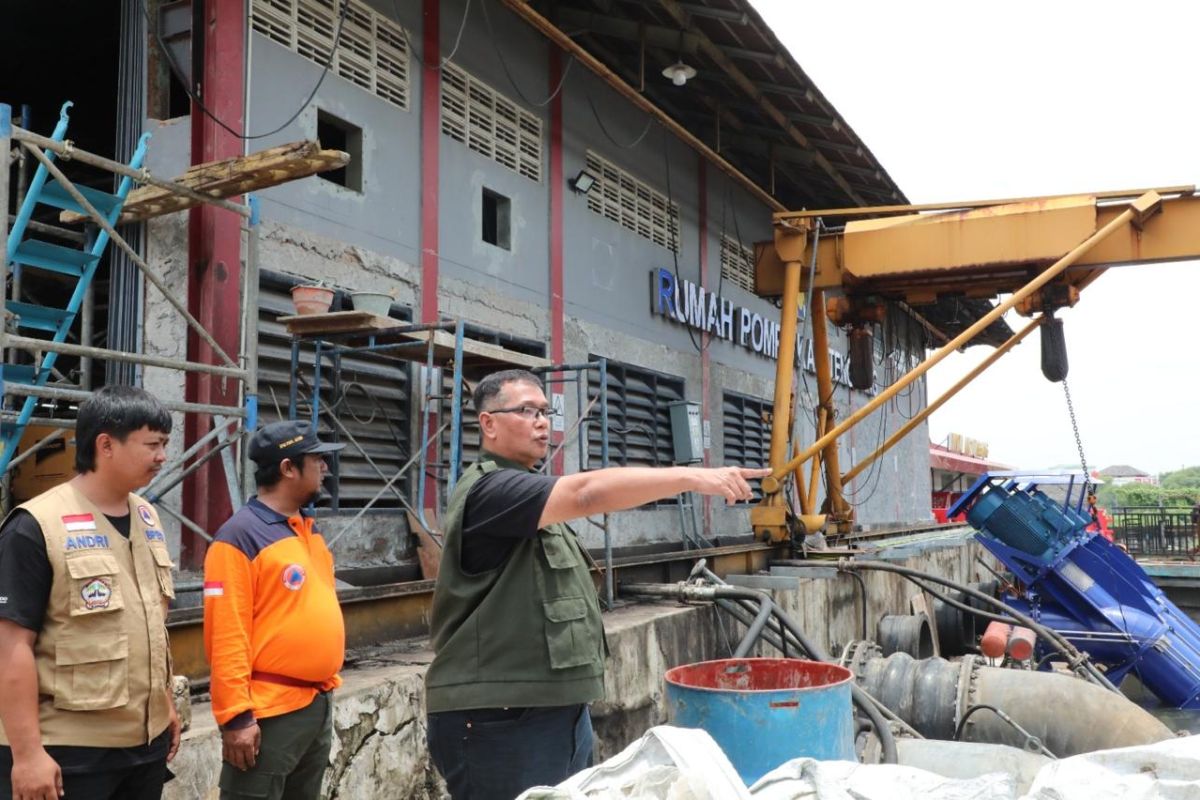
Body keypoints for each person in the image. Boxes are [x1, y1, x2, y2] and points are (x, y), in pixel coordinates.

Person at [425, 369, 770, 800]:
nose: (541, 422)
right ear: (488, 424)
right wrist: (692, 478)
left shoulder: (530, 498)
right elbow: (586, 493)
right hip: (501, 719)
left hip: (555, 713)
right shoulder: (490, 491)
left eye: (544, 411)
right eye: (526, 411)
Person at [0, 385, 181, 800]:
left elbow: (151, 625)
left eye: (165, 444)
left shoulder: (148, 517)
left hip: (145, 746)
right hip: (70, 751)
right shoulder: (36, 526)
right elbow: (10, 647)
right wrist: (27, 755)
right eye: (152, 444)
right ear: (106, 445)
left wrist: (164, 704)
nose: (163, 456)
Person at [203, 420, 346, 800]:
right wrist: (236, 717)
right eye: (316, 460)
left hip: (314, 704)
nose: (325, 468)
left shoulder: (306, 530)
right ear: (288, 468)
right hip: (268, 713)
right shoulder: (240, 536)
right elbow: (226, 634)